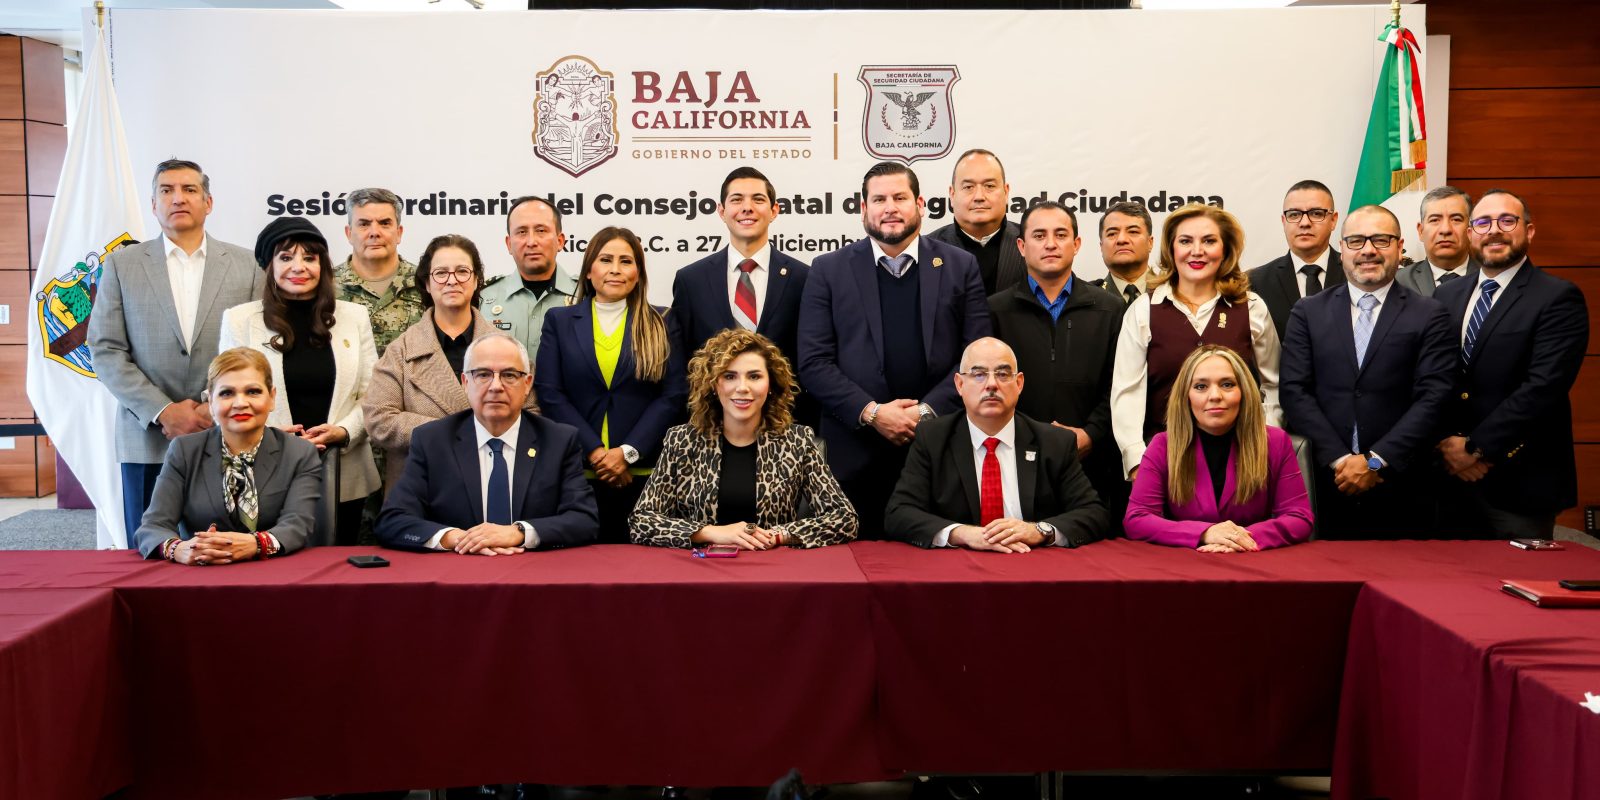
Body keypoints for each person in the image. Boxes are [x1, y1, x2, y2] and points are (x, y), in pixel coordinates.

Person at [798, 161, 991, 534]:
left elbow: (977, 357)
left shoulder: (960, 265)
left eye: (900, 198)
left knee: (941, 557)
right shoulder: (828, 270)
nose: (890, 208)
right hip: (854, 455)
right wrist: (873, 413)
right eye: (879, 199)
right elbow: (813, 362)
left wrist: (924, 413)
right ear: (863, 208)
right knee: (854, 563)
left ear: (920, 204)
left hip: (939, 450)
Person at [89, 158, 265, 548]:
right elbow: (105, 348)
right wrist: (164, 411)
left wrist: (209, 407)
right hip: (147, 437)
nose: (178, 198)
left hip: (223, 433)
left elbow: (255, 352)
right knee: (150, 554)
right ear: (154, 204)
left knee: (222, 552)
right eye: (166, 191)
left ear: (208, 202)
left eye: (189, 190)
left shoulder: (247, 266)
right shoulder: (121, 266)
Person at [1280, 205, 1456, 539]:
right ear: (1342, 248)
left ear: (1400, 247)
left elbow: (1434, 397)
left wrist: (1374, 461)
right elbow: (1294, 391)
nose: (1368, 250)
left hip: (1403, 487)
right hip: (1327, 483)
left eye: (1381, 240)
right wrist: (1340, 460)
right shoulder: (1308, 311)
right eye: (1356, 241)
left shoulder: (1430, 314)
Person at [1433, 189, 1589, 539]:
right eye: (1483, 223)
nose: (1494, 230)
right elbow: (1433, 377)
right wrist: (1445, 445)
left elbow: (1543, 388)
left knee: (1517, 575)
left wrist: (1475, 449)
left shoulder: (1557, 297)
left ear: (1528, 231)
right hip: (1448, 481)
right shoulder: (1446, 295)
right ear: (1470, 233)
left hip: (1519, 483)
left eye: (1507, 221)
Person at [217, 217, 379, 545]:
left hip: (344, 472)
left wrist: (345, 431)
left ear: (322, 265)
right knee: (275, 564)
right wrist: (272, 437)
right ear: (270, 266)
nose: (299, 267)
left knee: (337, 566)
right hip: (266, 471)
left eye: (309, 257)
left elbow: (373, 395)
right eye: (286, 257)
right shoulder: (239, 320)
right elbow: (227, 398)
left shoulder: (354, 317)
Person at [629, 328, 857, 549]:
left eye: (754, 376)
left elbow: (844, 518)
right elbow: (641, 521)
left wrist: (778, 536)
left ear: (770, 384)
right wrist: (710, 532)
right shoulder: (681, 441)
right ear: (713, 384)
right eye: (729, 376)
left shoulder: (797, 441)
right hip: (702, 566)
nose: (742, 388)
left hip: (773, 566)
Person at [377, 333, 598, 552]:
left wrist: (519, 533)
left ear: (527, 384)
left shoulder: (558, 441)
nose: (496, 386)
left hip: (533, 568)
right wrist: (458, 538)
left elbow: (584, 519)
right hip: (458, 568)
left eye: (509, 375)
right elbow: (392, 520)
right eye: (483, 375)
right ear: (465, 382)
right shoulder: (432, 441)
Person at [536, 226, 688, 543]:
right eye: (606, 260)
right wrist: (595, 451)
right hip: (577, 473)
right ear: (588, 270)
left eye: (626, 261)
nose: (615, 269)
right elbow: (550, 393)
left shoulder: (662, 321)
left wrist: (628, 452)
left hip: (644, 476)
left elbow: (673, 395)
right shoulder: (559, 321)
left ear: (638, 273)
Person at [1110, 202, 1281, 483]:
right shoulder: (1144, 309)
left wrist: (1265, 443)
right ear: (1171, 249)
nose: (1197, 251)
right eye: (1186, 241)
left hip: (1241, 463)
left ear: (1225, 249)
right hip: (1164, 464)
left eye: (1209, 241)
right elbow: (1126, 393)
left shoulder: (1251, 307)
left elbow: (1273, 386)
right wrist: (1137, 462)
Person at [884, 337, 1107, 550]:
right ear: (960, 384)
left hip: (1031, 562)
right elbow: (899, 513)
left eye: (1002, 374)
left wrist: (1038, 530)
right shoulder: (932, 438)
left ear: (1019, 383)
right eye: (979, 374)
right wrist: (963, 534)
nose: (991, 384)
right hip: (957, 564)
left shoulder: (1054, 442)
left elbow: (1093, 513)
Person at [987, 201, 1128, 530]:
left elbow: (1120, 385)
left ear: (1076, 244)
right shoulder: (995, 310)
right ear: (1021, 246)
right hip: (1015, 459)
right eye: (1039, 236)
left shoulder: (1110, 309)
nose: (1050, 244)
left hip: (1092, 463)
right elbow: (990, 387)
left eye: (1061, 235)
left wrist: (1090, 434)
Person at [364, 234, 538, 489]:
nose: (452, 280)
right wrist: (452, 432)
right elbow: (379, 419)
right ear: (427, 283)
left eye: (462, 271)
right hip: (422, 488)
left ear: (476, 280)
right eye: (441, 273)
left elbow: (531, 412)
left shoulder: (507, 348)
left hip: (495, 482)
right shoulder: (401, 351)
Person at [134, 347, 322, 562]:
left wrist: (255, 544)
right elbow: (153, 526)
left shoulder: (299, 453)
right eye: (226, 393)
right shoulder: (184, 450)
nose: (240, 403)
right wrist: (179, 549)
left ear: (271, 398)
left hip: (275, 571)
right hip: (201, 570)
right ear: (211, 402)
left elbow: (297, 525)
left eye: (253, 391)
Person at [1124, 345, 1312, 551]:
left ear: (1244, 392)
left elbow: (1299, 518)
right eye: (1200, 386)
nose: (1215, 395)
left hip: (1254, 560)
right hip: (1186, 563)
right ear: (1186, 396)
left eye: (1227, 384)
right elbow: (1137, 519)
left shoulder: (1275, 442)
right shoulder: (1162, 445)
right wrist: (1204, 533)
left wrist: (1240, 539)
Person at [669, 167, 815, 425]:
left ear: (774, 210)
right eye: (737, 200)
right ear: (721, 211)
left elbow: (812, 358)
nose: (747, 208)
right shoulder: (691, 280)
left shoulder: (804, 279)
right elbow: (682, 365)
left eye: (758, 199)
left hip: (786, 426)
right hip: (711, 426)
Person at [481, 196, 579, 360]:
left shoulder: (586, 295)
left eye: (541, 230)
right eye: (522, 232)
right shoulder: (483, 298)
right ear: (509, 244)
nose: (532, 242)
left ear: (560, 241)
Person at [1248, 179, 1345, 341]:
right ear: (1283, 221)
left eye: (1316, 213)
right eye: (1294, 215)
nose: (1305, 223)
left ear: (1333, 220)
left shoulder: (1355, 273)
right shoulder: (1256, 282)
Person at [332, 187, 423, 357]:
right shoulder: (325, 286)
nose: (374, 232)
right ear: (349, 233)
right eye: (364, 224)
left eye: (384, 223)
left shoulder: (426, 284)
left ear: (399, 233)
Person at [926, 149, 1026, 294]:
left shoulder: (1033, 244)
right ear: (952, 195)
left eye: (989, 186)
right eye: (968, 187)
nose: (979, 196)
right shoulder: (925, 250)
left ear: (1006, 192)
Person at [1395, 186, 1479, 297]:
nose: (1445, 230)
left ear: (1471, 229)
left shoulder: (1490, 276)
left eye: (1456, 219)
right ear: (1421, 231)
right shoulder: (1397, 282)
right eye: (1434, 220)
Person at [1090, 200, 1158, 306]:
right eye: (1112, 234)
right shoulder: (1087, 299)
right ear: (1101, 246)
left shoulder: (1173, 292)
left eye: (1133, 232)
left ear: (1150, 242)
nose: (1122, 239)